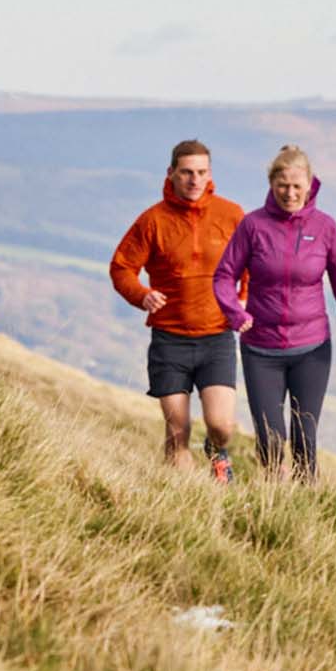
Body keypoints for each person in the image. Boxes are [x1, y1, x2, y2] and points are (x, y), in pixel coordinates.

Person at [212, 145, 336, 483]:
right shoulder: (252, 226)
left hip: (311, 349)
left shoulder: (325, 228)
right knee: (270, 438)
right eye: (283, 185)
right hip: (260, 349)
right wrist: (235, 313)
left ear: (310, 184)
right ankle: (273, 499)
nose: (290, 193)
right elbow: (224, 275)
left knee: (304, 439)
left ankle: (305, 509)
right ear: (271, 184)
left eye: (298, 185)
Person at [109, 139, 249, 482]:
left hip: (217, 337)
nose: (194, 180)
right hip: (169, 340)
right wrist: (141, 295)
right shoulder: (153, 220)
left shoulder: (231, 215)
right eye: (186, 172)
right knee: (177, 432)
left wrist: (244, 298)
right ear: (171, 173)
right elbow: (121, 267)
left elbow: (252, 265)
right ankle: (187, 504)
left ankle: (217, 451)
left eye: (202, 172)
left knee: (222, 425)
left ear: (210, 173)